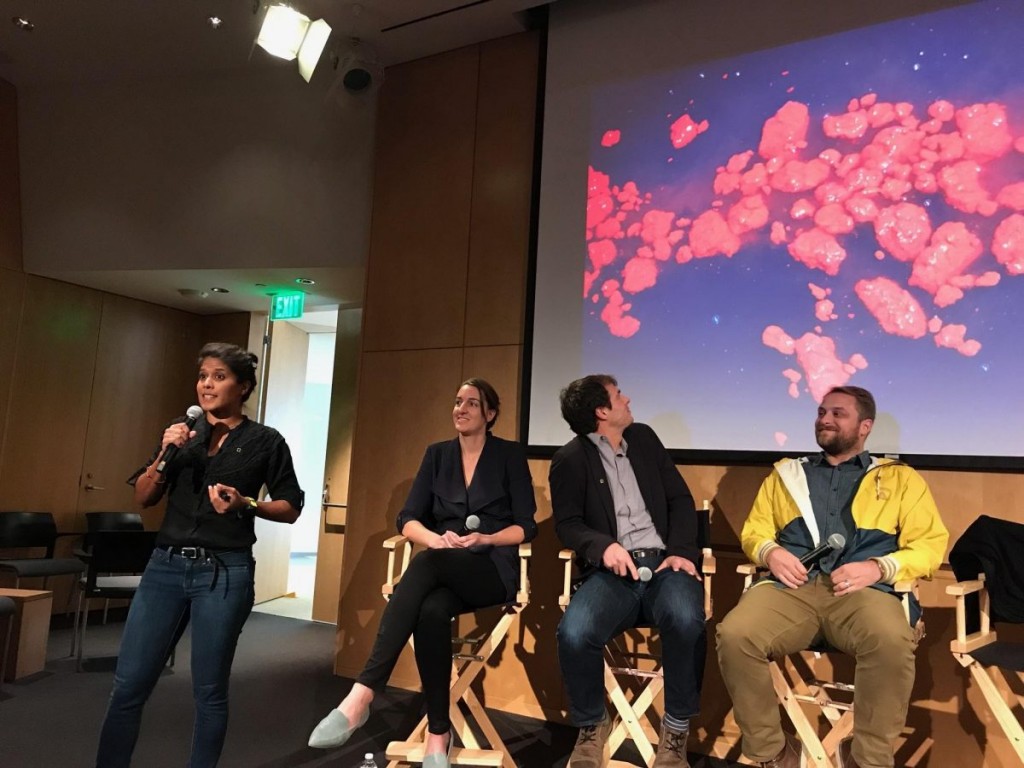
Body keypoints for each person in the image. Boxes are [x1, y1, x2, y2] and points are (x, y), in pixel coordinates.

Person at [308, 378, 537, 768]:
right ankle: (438, 734)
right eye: (457, 401)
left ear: (490, 414)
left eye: (471, 403)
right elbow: (408, 519)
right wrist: (436, 538)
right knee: (431, 612)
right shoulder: (437, 455)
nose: (460, 409)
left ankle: (363, 692)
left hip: (491, 570)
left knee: (427, 563)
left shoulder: (509, 456)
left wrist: (487, 538)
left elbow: (526, 526)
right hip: (444, 566)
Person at [95, 342, 304, 768]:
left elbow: (291, 506)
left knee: (208, 691)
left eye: (219, 376)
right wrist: (163, 453)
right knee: (129, 684)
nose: (207, 385)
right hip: (164, 568)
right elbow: (145, 496)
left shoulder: (265, 441)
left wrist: (247, 504)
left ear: (243, 386)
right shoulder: (181, 431)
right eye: (203, 376)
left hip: (224, 572)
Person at [716, 386, 948, 768]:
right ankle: (772, 751)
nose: (824, 419)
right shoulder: (786, 474)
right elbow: (754, 531)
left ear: (864, 426)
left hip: (864, 591)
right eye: (822, 411)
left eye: (838, 413)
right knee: (735, 634)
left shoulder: (900, 479)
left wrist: (879, 567)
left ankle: (867, 761)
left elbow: (928, 544)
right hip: (791, 590)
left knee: (891, 641)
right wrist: (770, 553)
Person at [551, 375, 706, 768]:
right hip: (612, 574)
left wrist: (683, 553)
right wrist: (603, 546)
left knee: (687, 619)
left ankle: (674, 735)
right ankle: (591, 725)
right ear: (602, 412)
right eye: (619, 395)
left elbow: (680, 500)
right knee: (574, 632)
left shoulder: (645, 439)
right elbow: (567, 524)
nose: (627, 398)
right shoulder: (570, 459)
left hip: (665, 563)